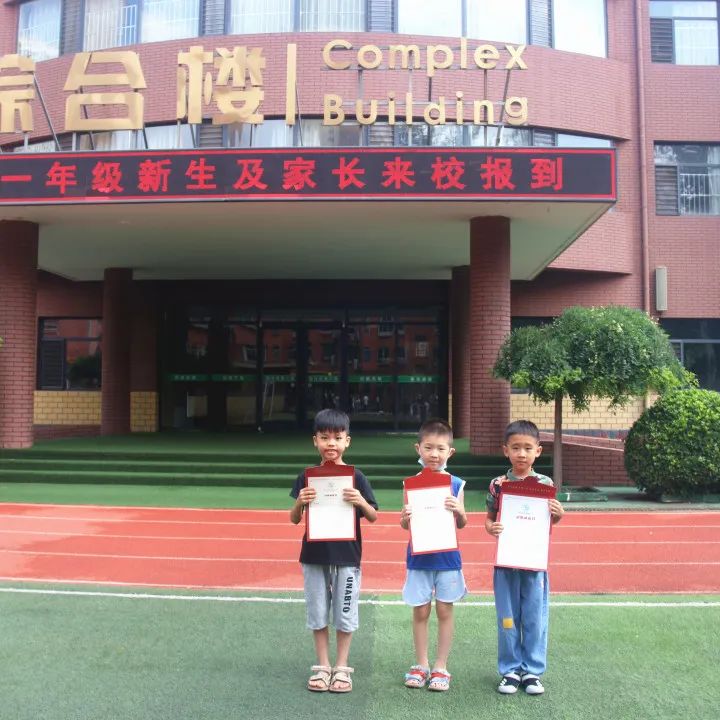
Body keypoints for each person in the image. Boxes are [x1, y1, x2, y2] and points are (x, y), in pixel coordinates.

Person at [290, 408, 378, 694]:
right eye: (325, 437)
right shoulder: (307, 477)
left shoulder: (356, 477)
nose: (331, 443)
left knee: (345, 610)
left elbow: (373, 515)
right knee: (317, 611)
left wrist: (360, 501)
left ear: (347, 441)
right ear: (315, 440)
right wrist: (299, 502)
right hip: (314, 555)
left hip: (347, 556)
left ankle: (342, 666)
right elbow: (294, 519)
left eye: (338, 438)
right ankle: (323, 665)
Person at [485, 419, 565, 696]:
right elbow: (489, 519)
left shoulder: (545, 484)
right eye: (516, 447)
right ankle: (510, 670)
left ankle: (532, 671)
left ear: (538, 451)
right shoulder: (498, 484)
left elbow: (549, 520)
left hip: (533, 563)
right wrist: (491, 528)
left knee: (533, 618)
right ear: (505, 450)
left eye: (528, 448)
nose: (522, 453)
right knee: (508, 618)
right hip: (506, 563)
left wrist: (558, 514)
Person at [400, 418, 467, 692]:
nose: (434, 454)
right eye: (428, 448)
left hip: (447, 560)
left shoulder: (456, 484)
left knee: (444, 609)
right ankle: (421, 664)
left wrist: (458, 510)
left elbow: (462, 523)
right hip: (419, 559)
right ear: (418, 449)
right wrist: (405, 518)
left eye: (440, 449)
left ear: (450, 452)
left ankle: (441, 666)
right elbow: (405, 524)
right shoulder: (411, 484)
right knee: (420, 610)